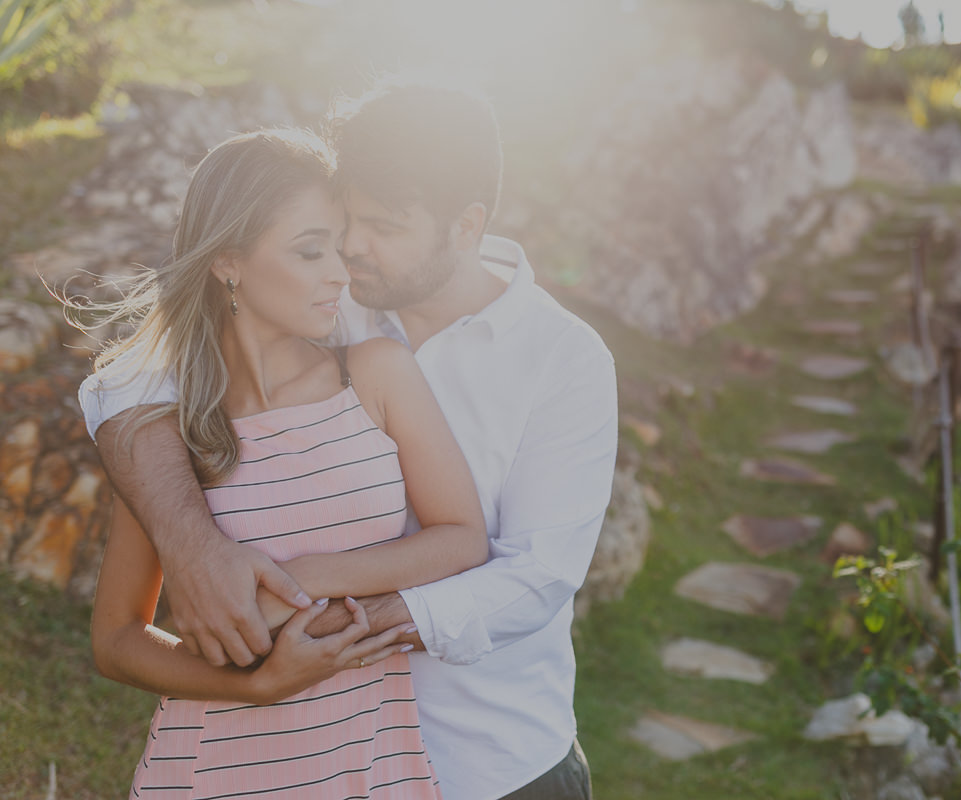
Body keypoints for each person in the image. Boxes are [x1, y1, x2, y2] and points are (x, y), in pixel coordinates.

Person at [80, 78, 619, 800]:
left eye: (383, 228)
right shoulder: (327, 310)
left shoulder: (562, 358)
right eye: (343, 227)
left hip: (493, 758)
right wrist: (196, 548)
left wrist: (304, 608)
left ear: (466, 226)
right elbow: (119, 391)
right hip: (265, 760)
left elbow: (538, 575)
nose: (353, 253)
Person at [83, 128, 490, 798]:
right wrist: (259, 685)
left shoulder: (375, 376)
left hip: (370, 771)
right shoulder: (169, 433)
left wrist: (304, 581)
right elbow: (117, 639)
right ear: (228, 261)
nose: (340, 272)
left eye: (338, 247)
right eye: (310, 250)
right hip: (210, 774)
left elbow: (463, 537)